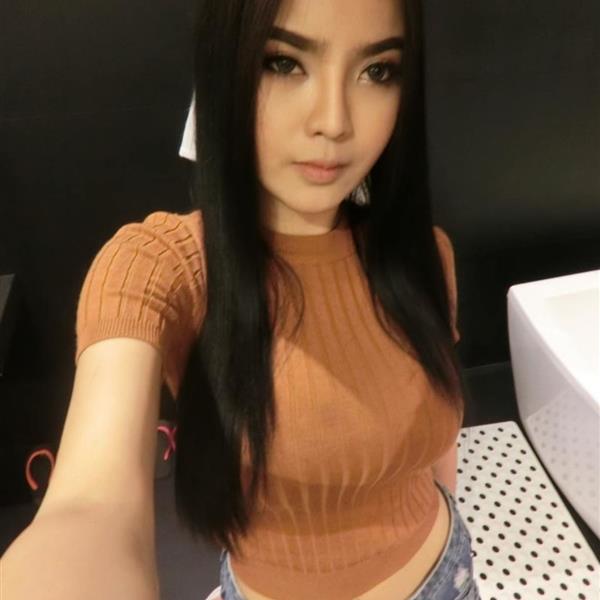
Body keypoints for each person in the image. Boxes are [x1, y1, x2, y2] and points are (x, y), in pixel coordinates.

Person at [1, 0, 481, 598]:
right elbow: (88, 509)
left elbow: (438, 444)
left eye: (376, 71)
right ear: (224, 67)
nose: (333, 121)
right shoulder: (165, 267)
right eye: (283, 62)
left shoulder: (426, 255)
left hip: (448, 572)